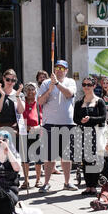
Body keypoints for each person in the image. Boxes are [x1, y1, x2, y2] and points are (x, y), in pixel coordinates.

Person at [37, 60, 78, 193]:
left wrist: (57, 84)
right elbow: (40, 101)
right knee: (49, 156)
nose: (59, 70)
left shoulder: (70, 82)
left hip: (67, 122)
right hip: (50, 123)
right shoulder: (45, 83)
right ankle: (46, 183)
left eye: (62, 68)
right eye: (57, 67)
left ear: (66, 70)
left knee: (66, 156)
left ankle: (67, 182)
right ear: (54, 69)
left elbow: (69, 94)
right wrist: (50, 89)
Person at [73, 77, 106, 195]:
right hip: (83, 133)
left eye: (89, 84)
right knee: (86, 161)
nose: (86, 87)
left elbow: (103, 117)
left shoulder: (99, 101)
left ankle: (94, 185)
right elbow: (75, 118)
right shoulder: (78, 102)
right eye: (84, 84)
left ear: (94, 86)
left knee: (94, 160)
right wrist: (81, 121)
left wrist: (90, 119)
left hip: (96, 133)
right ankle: (88, 186)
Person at [0, 69, 25, 142]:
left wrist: (17, 96)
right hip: (0, 131)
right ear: (3, 79)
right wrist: (3, 96)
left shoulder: (20, 94)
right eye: (8, 79)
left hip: (14, 131)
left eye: (13, 80)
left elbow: (21, 111)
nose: (10, 82)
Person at [21, 82, 43, 189]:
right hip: (25, 132)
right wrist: (25, 126)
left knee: (38, 158)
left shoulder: (39, 103)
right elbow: (18, 116)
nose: (30, 92)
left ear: (36, 91)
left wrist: (37, 128)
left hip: (37, 133)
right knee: (25, 158)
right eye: (28, 89)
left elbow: (44, 119)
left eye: (32, 89)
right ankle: (26, 180)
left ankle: (38, 180)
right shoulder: (22, 102)